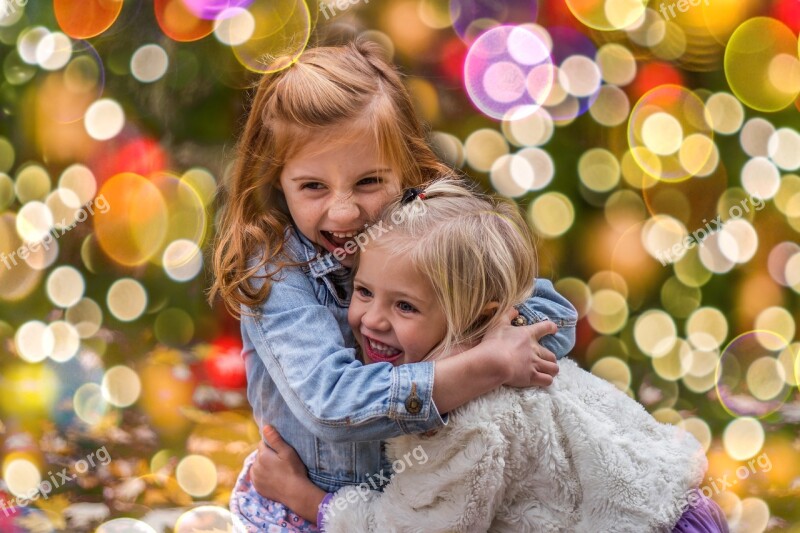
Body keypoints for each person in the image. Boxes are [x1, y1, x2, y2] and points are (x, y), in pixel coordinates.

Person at [208, 40, 578, 531]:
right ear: (278, 182)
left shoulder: (428, 233)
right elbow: (333, 404)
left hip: (423, 502)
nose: (343, 213)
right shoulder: (276, 270)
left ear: (407, 170)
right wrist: (479, 365)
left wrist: (474, 346)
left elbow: (556, 321)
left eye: (368, 183)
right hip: (306, 507)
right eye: (313, 186)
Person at [250, 179, 730, 533]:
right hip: (671, 501)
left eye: (405, 306)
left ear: (479, 315)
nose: (372, 320)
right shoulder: (507, 350)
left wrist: (306, 498)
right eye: (363, 291)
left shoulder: (469, 420)